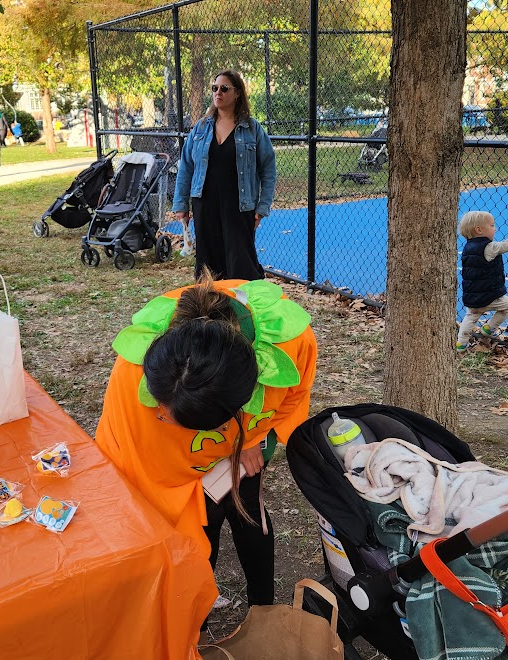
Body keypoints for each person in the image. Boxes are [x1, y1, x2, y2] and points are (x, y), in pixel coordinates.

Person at [95, 274, 317, 613]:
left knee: (246, 511)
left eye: (177, 417)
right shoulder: (132, 373)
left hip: (244, 447)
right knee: (201, 522)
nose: (163, 418)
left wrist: (251, 438)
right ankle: (196, 607)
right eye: (163, 410)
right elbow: (128, 457)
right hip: (174, 456)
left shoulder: (287, 342)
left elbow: (293, 394)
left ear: (245, 396)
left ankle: (263, 611)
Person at [172, 70, 276, 282]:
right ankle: (211, 308)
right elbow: (186, 167)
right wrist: (181, 204)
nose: (218, 92)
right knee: (208, 260)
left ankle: (241, 308)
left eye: (224, 88)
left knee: (241, 260)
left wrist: (262, 207)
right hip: (205, 202)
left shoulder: (252, 129)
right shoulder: (201, 128)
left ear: (237, 93)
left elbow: (268, 168)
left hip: (239, 206)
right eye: (215, 88)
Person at [455, 211, 508, 351]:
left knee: (470, 316)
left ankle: (461, 344)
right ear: (479, 230)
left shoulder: (467, 247)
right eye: (492, 225)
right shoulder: (489, 247)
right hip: (488, 294)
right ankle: (489, 329)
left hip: (472, 294)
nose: (495, 228)